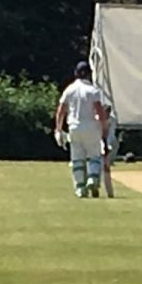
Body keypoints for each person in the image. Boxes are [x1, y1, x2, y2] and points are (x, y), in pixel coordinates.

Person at [55, 61, 108, 198]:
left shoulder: (70, 89)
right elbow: (99, 111)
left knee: (77, 159)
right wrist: (104, 128)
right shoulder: (93, 90)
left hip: (74, 127)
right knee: (94, 156)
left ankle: (80, 188)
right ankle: (93, 179)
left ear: (76, 74)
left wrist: (58, 129)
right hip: (91, 126)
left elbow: (61, 111)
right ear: (89, 74)